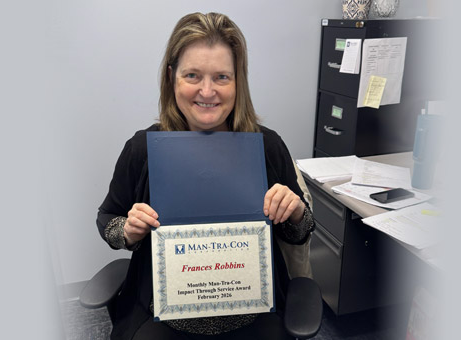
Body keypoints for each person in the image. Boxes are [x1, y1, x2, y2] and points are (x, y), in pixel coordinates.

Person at [96, 12, 315, 340]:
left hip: (254, 316)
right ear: (173, 78)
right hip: (162, 319)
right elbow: (107, 219)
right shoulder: (143, 150)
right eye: (193, 75)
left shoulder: (266, 147)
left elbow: (298, 233)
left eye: (222, 77)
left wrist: (296, 212)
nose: (207, 91)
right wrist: (127, 231)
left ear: (238, 80)